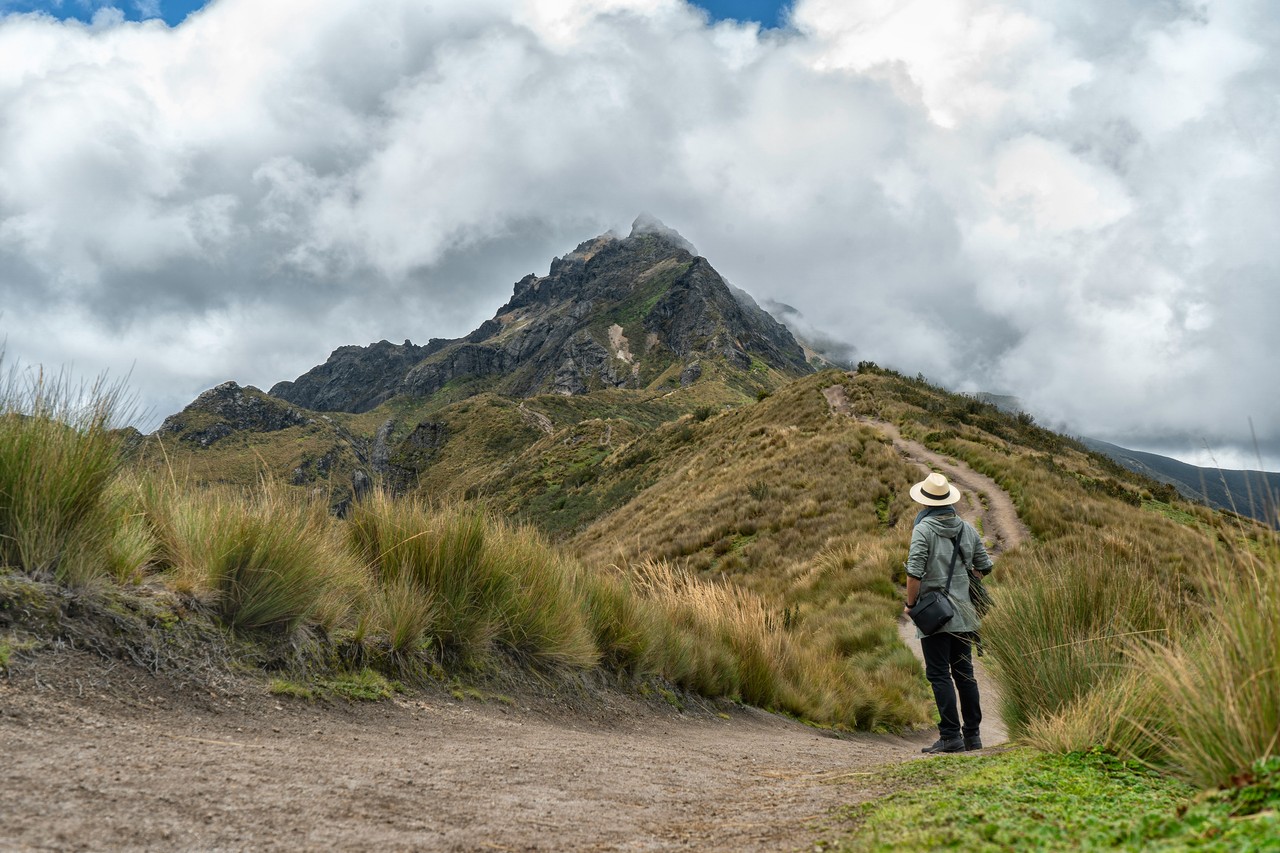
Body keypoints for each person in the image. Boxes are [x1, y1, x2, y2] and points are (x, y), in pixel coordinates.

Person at [904, 471, 993, 754]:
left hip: (936, 614)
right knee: (964, 673)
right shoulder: (967, 528)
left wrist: (911, 604)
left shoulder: (924, 529)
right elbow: (984, 565)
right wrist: (963, 583)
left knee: (939, 673)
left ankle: (950, 736)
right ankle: (972, 736)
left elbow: (914, 573)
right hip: (965, 614)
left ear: (926, 502)